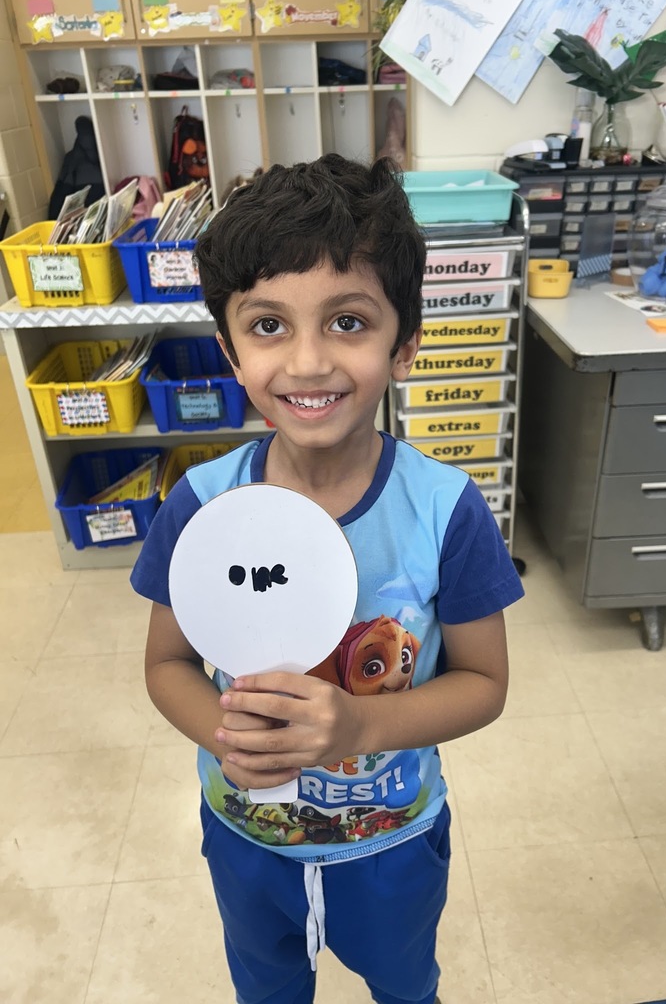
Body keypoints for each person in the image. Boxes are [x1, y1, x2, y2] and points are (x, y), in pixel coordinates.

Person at [130, 153, 524, 1004]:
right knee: (267, 988)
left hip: (390, 840)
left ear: (405, 344)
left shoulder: (445, 509)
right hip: (248, 838)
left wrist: (357, 729)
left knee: (404, 985)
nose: (307, 363)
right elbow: (167, 665)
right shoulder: (201, 504)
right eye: (268, 325)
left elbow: (485, 684)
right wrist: (226, 739)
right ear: (233, 352)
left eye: (348, 322)